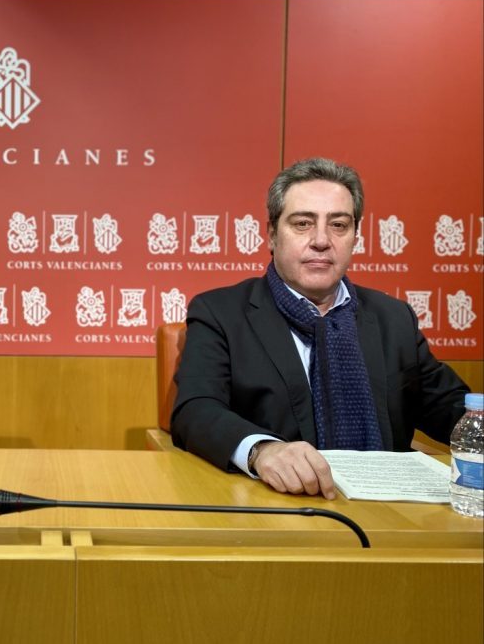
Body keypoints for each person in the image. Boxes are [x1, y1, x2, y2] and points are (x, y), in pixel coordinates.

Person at [171, 157, 469, 499]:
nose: (321, 240)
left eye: (339, 225)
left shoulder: (392, 317)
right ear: (271, 233)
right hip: (274, 505)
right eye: (302, 223)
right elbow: (195, 410)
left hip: (388, 510)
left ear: (355, 236)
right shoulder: (221, 312)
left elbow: (453, 409)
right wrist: (262, 450)